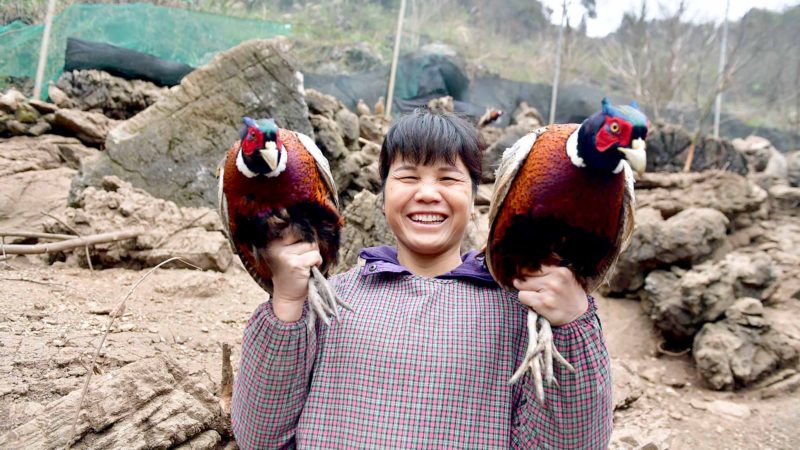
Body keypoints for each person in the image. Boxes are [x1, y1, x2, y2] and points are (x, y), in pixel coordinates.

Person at [231, 110, 612, 449]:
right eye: (408, 176)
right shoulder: (328, 302)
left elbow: (570, 441)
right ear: (382, 194)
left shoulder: (520, 314)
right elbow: (260, 436)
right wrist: (285, 304)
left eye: (449, 179)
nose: (427, 193)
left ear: (477, 197)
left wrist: (573, 320)